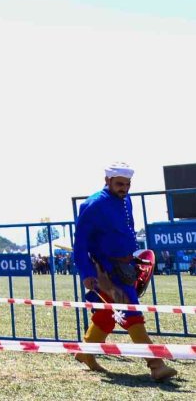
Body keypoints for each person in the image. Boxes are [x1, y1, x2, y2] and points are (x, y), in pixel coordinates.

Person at [72, 161, 177, 381]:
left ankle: (84, 352)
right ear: (107, 181)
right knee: (131, 313)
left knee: (108, 314)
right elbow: (80, 244)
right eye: (120, 184)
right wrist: (87, 274)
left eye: (127, 184)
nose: (124, 188)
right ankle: (156, 364)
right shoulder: (92, 205)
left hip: (126, 266)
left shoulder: (126, 199)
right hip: (105, 270)